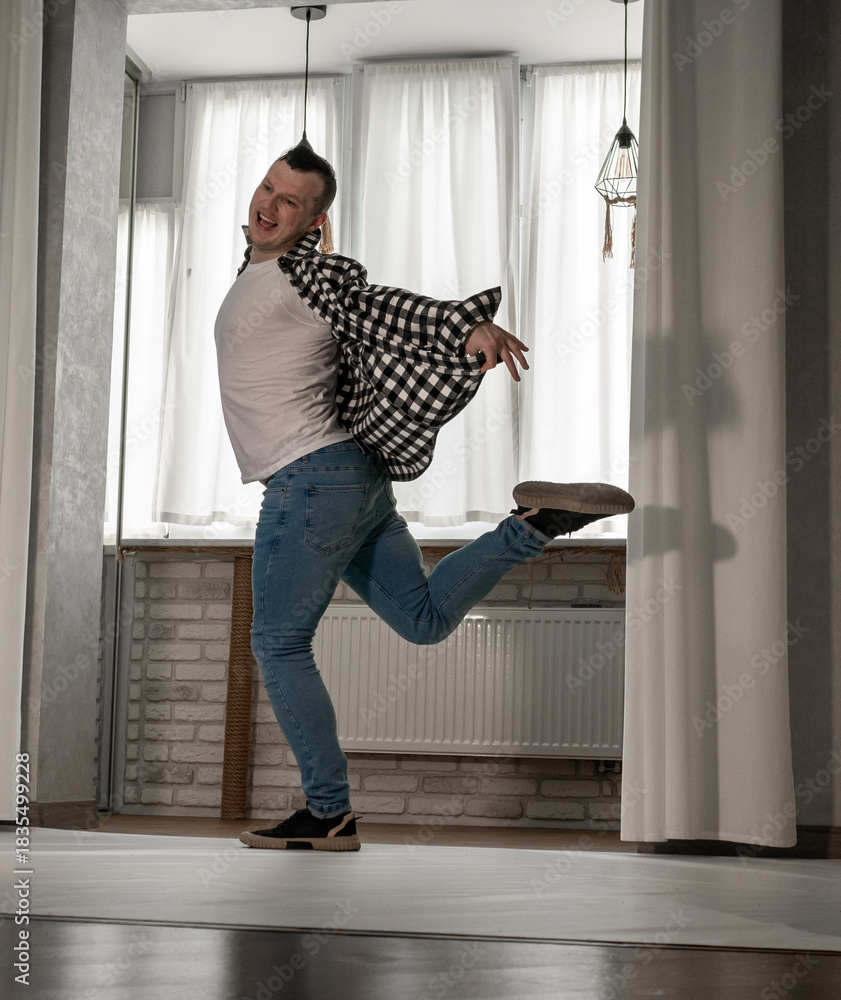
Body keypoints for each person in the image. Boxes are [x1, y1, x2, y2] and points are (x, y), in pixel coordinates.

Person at [214, 143, 634, 852]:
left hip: (309, 480)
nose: (269, 205)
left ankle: (328, 812)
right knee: (424, 619)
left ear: (314, 222)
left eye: (290, 201)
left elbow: (380, 308)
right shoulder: (257, 272)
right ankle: (531, 526)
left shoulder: (305, 274)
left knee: (277, 642)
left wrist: (460, 327)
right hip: (351, 480)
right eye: (267, 188)